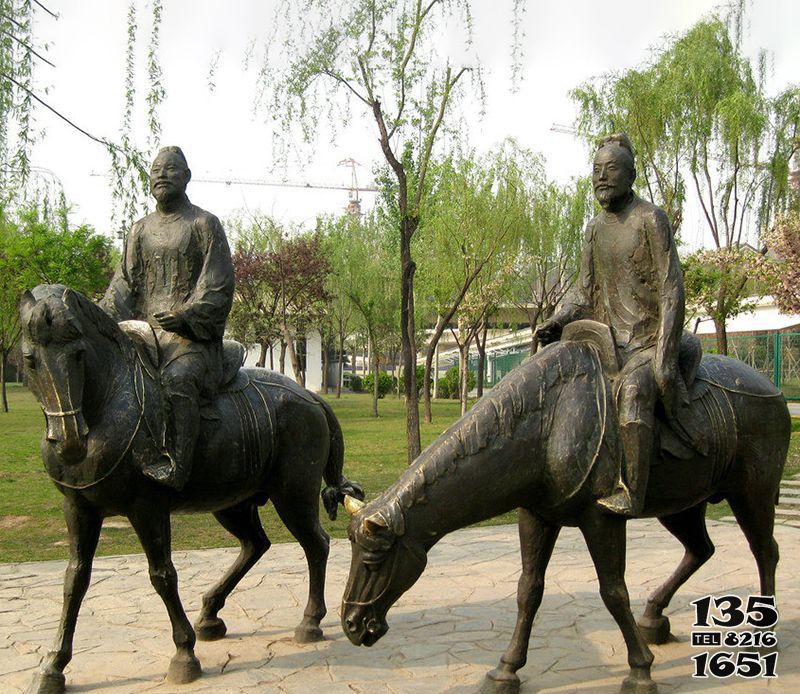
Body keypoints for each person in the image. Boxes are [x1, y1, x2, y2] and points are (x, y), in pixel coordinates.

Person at [537, 133, 685, 516]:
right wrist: (556, 319)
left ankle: (633, 490)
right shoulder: (593, 229)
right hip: (605, 344)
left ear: (631, 174)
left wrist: (664, 357)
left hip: (648, 343)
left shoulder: (651, 218)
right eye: (596, 170)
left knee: (633, 393)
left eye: (611, 169)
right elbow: (583, 291)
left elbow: (672, 290)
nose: (602, 177)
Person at [102, 146, 235, 490]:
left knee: (176, 380)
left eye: (171, 169)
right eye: (156, 170)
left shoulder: (204, 224)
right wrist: (99, 317)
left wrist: (186, 316)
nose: (161, 175)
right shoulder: (139, 230)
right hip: (145, 337)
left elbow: (217, 285)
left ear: (187, 176)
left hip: (191, 341)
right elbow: (123, 285)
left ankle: (178, 465)